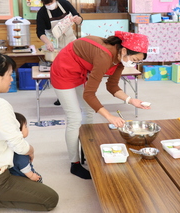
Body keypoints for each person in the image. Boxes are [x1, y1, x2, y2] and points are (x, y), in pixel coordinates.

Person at [0, 52, 58, 213]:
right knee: (50, 200)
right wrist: (31, 150)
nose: (12, 79)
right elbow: (19, 146)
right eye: (9, 75)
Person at [50, 31, 150, 179]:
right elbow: (89, 94)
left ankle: (85, 148)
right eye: (134, 59)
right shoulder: (104, 57)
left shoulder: (121, 59)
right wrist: (109, 116)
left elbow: (112, 86)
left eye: (138, 62)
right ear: (124, 50)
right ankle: (75, 163)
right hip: (63, 70)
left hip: (80, 71)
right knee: (75, 118)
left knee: (89, 111)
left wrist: (131, 100)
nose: (133, 64)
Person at [36, 0, 83, 106]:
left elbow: (79, 18)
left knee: (75, 69)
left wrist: (78, 19)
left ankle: (77, 94)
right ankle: (61, 96)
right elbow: (40, 32)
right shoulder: (42, 12)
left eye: (50, 3)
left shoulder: (65, 4)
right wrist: (47, 42)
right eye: (46, 4)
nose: (49, 6)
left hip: (71, 42)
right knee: (60, 72)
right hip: (55, 45)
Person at [9, 112, 42, 183]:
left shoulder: (9, 143)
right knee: (39, 179)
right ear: (18, 131)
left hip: (13, 173)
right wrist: (31, 175)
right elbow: (22, 164)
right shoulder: (20, 148)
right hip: (21, 175)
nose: (27, 128)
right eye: (26, 126)